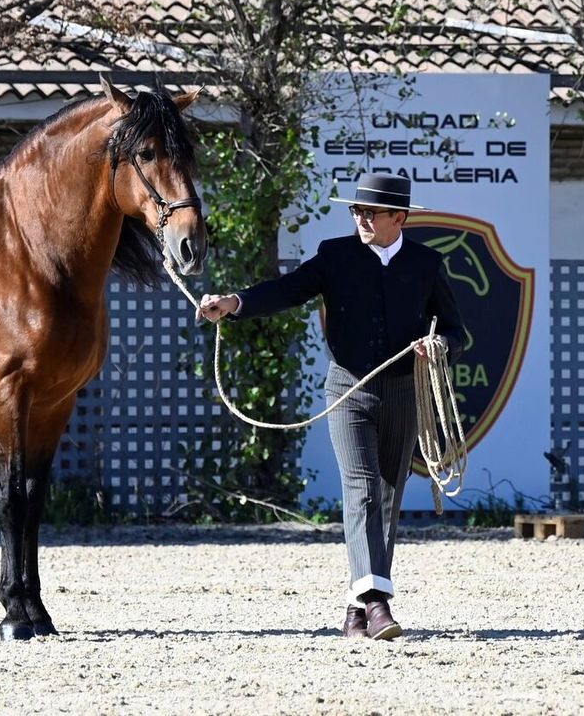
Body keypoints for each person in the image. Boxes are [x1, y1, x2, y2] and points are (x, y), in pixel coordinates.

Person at [197, 173, 465, 640]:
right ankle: (379, 603)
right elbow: (286, 290)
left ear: (398, 218)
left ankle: (354, 608)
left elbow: (458, 333)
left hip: (403, 390)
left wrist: (438, 343)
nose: (361, 218)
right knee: (361, 489)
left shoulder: (426, 263)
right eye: (357, 211)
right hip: (348, 390)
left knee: (387, 497)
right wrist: (235, 302)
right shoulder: (335, 256)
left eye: (371, 212)